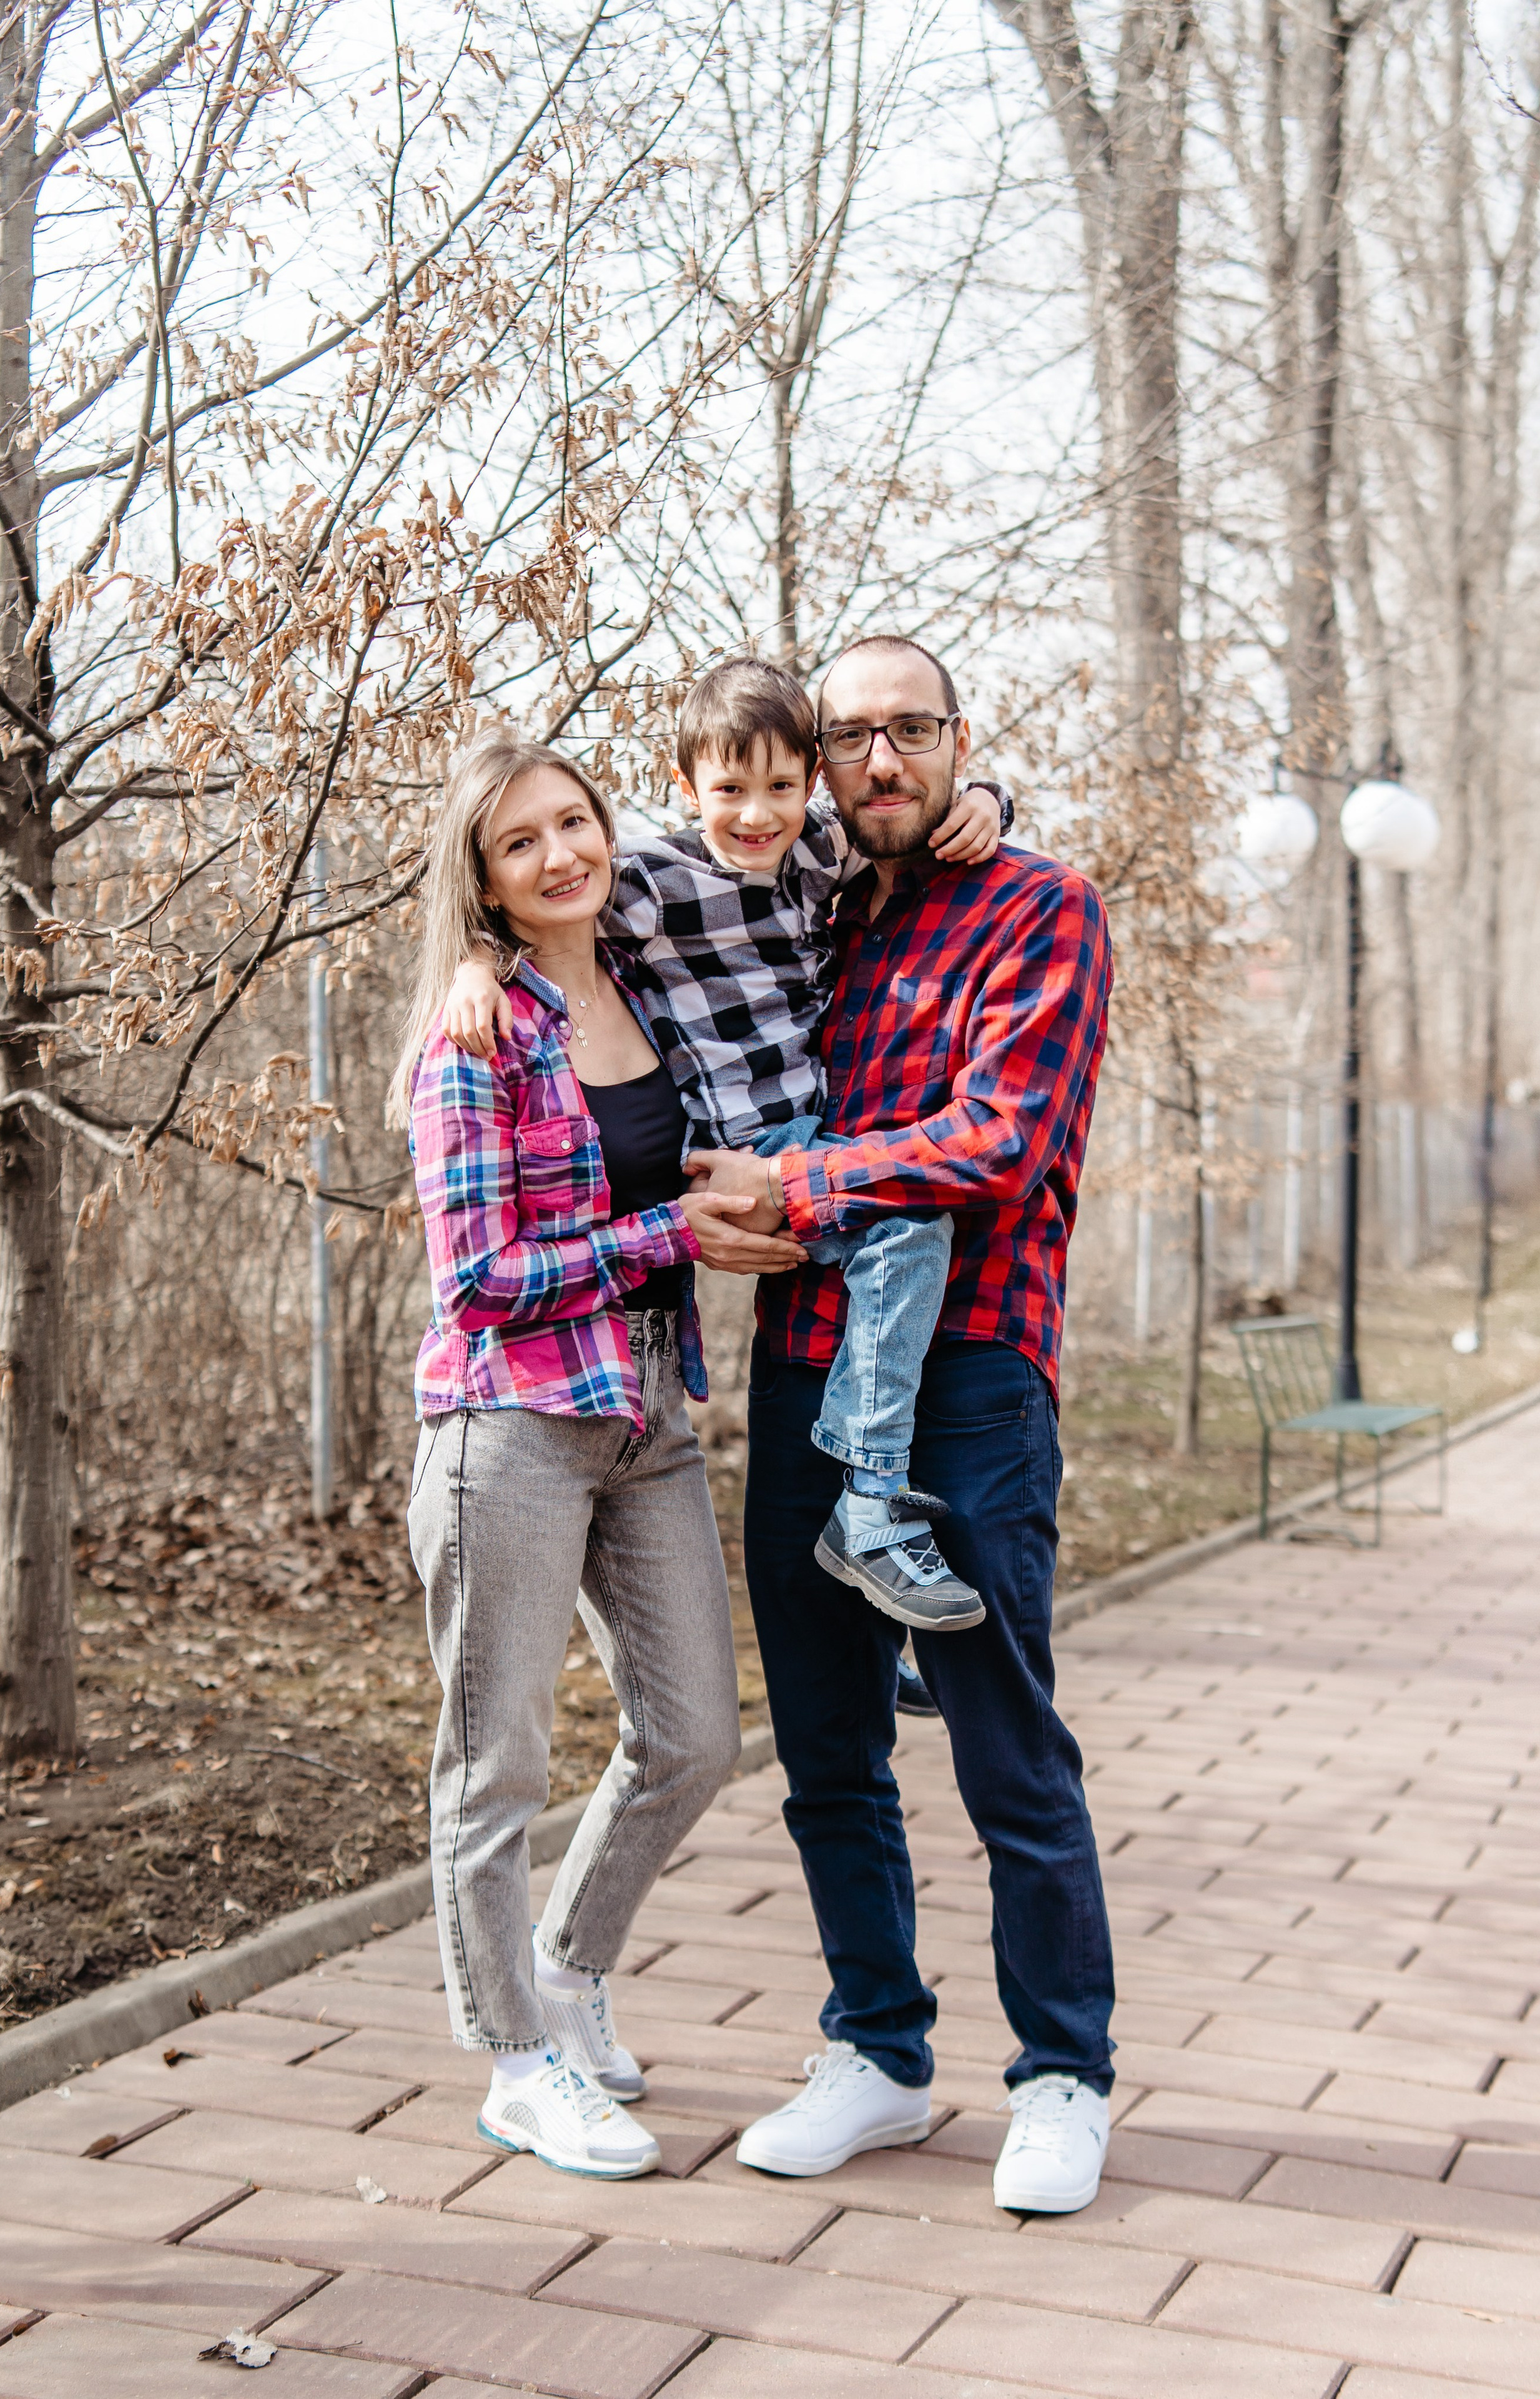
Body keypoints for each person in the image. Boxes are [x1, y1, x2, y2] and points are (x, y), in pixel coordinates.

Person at [693, 635, 1117, 2216]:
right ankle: (875, 2050)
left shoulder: (1039, 905)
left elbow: (996, 1139)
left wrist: (795, 1186)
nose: (879, 761)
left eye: (910, 733)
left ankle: (1062, 2073)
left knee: (1009, 1751)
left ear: (956, 740)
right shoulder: (802, 907)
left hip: (976, 1384)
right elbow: (597, 903)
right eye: (849, 736)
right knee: (825, 1751)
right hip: (805, 1370)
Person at [388, 728, 804, 2181]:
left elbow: (781, 846)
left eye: (574, 821)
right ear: (485, 882)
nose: (562, 853)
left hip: (645, 1414)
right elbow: (479, 1275)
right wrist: (665, 1234)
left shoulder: (643, 976)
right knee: (491, 1765)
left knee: (693, 1734)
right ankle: (516, 2061)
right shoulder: (475, 1033)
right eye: (521, 842)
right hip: (505, 1423)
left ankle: (564, 1967)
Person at [442, 656, 1012, 1632]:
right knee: (910, 1235)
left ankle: (886, 1587)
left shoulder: (817, 851)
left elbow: (904, 808)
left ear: (810, 784)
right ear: (685, 789)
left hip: (807, 1131)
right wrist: (476, 962)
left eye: (781, 788)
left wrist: (992, 795)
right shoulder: (661, 881)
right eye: (729, 792)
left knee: (886, 1290)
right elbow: (549, 903)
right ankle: (872, 1507)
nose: (756, 815)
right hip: (744, 1136)